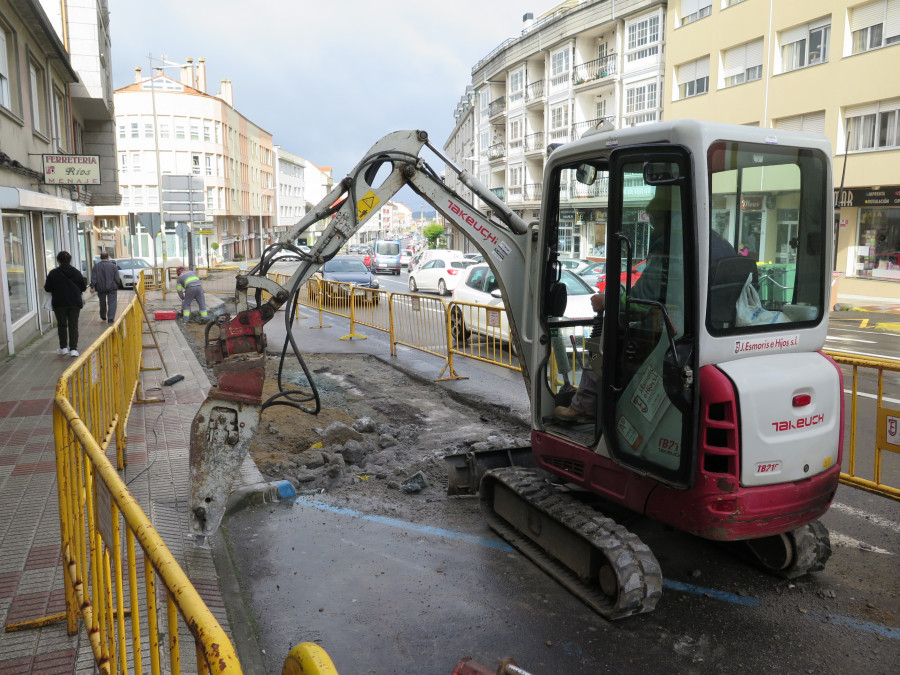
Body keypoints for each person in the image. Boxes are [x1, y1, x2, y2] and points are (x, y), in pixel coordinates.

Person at [555, 191, 736, 422]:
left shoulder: (668, 244)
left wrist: (608, 301)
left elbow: (643, 299)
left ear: (667, 219)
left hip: (671, 336)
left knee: (600, 343)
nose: (654, 228)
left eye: (655, 222)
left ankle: (584, 406)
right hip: (698, 330)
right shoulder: (717, 242)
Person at [44, 250, 87, 357]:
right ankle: (73, 349)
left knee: (62, 325)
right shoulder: (76, 272)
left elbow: (47, 288)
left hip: (59, 303)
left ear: (58, 261)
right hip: (74, 302)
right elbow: (83, 287)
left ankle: (63, 348)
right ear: (70, 261)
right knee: (73, 325)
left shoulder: (53, 273)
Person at [90, 252, 122, 323]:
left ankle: (103, 315)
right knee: (112, 303)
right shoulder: (113, 266)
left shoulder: (96, 266)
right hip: (112, 287)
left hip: (100, 288)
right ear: (108, 257)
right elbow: (117, 277)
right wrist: (117, 284)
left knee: (102, 302)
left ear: (101, 257)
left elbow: (93, 278)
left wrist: (92, 286)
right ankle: (110, 318)